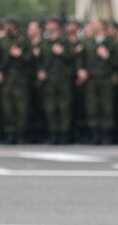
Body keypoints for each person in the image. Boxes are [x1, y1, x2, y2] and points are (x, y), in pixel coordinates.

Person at [78, 19, 118, 144]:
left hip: (106, 78)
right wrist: (80, 70)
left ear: (103, 27)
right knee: (92, 106)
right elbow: (81, 59)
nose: (93, 26)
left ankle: (106, 134)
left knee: (106, 106)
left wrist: (107, 56)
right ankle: (95, 134)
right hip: (91, 78)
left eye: (96, 24)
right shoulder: (87, 42)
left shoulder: (111, 43)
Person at [0, 17, 32, 144]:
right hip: (7, 79)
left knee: (21, 107)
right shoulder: (1, 41)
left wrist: (20, 55)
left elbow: (31, 58)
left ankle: (21, 133)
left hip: (20, 78)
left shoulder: (24, 40)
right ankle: (10, 133)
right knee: (7, 107)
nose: (7, 27)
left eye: (9, 25)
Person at [39, 16, 74, 144]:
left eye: (51, 23)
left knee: (64, 107)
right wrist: (41, 71)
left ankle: (64, 134)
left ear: (57, 25)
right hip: (49, 80)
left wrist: (62, 53)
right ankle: (53, 133)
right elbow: (41, 60)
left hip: (63, 79)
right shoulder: (46, 42)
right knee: (50, 107)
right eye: (47, 23)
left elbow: (72, 58)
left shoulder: (65, 41)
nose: (48, 25)